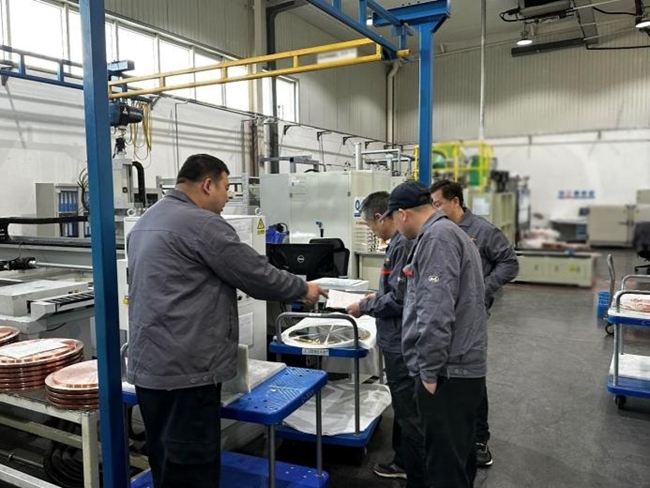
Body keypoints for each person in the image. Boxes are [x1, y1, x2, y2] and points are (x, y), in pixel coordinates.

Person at [126, 154, 325, 488]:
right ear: (208, 184)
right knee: (194, 466)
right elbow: (256, 275)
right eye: (226, 187)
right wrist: (304, 289)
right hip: (189, 370)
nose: (228, 196)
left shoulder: (145, 222)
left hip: (150, 367)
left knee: (164, 458)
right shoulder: (203, 224)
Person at [383, 180, 487, 488]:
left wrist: (428, 371)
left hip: (447, 372)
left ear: (403, 214)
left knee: (443, 465)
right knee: (457, 458)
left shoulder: (436, 238)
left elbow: (435, 312)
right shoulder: (447, 232)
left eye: (394, 218)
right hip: (458, 367)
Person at [430, 179, 519, 468]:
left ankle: (479, 440)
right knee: (446, 373)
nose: (434, 210)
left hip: (472, 318)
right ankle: (451, 434)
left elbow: (510, 263)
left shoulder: (482, 231)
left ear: (455, 201)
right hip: (444, 313)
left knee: (471, 375)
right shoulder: (438, 231)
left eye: (438, 204)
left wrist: (482, 289)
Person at [345, 191, 424, 486]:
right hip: (398, 336)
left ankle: (414, 470)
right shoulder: (400, 243)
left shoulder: (403, 244)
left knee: (408, 409)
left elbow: (401, 298)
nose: (372, 232)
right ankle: (404, 461)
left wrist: (364, 306)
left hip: (401, 340)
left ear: (381, 218)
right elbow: (394, 289)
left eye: (370, 226)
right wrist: (375, 297)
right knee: (405, 407)